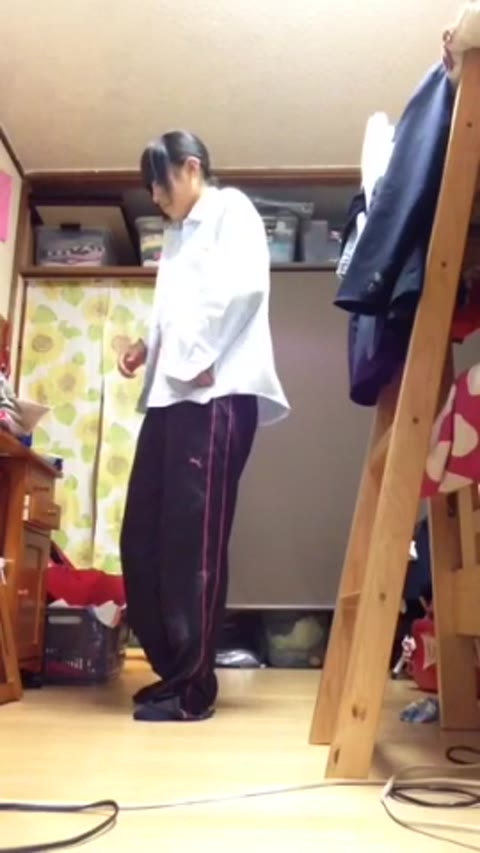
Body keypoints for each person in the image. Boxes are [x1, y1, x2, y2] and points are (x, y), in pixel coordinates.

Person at [119, 130, 289, 722]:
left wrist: (198, 356)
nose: (154, 196)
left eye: (159, 182)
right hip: (172, 397)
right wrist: (148, 348)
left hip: (216, 394)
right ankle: (173, 671)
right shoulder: (178, 235)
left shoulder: (229, 209)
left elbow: (244, 289)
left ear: (191, 167)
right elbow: (182, 309)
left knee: (193, 541)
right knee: (143, 535)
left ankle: (192, 689)